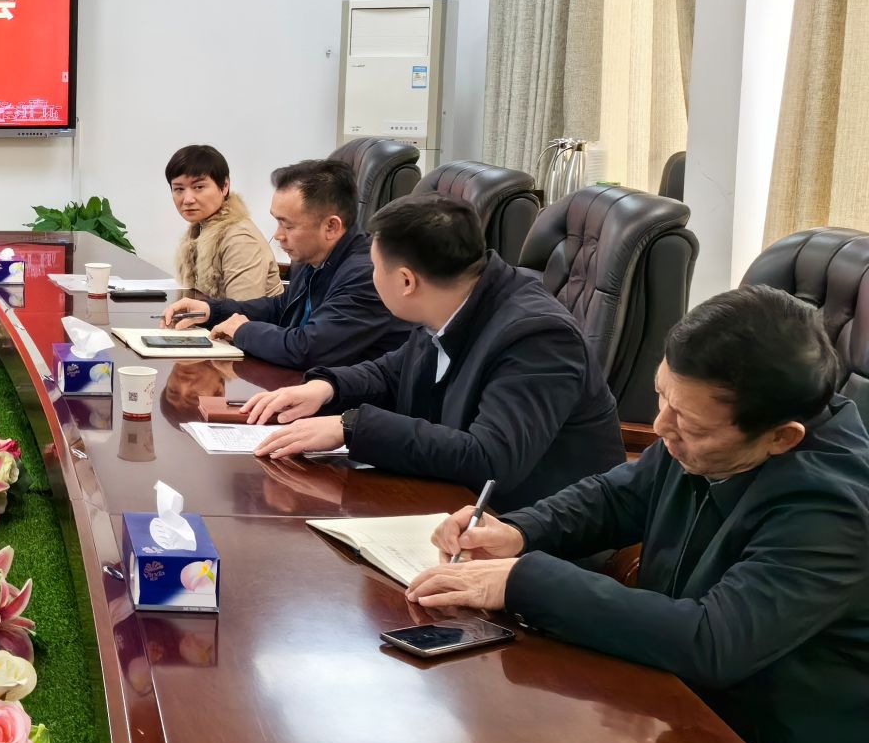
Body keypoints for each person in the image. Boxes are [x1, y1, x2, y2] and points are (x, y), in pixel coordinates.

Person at [407, 286, 869, 743]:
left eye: (689, 423)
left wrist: (521, 580)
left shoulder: (834, 511)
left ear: (782, 438)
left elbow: (713, 640)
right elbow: (620, 496)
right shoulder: (707, 427)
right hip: (678, 713)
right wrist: (519, 531)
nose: (661, 425)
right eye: (661, 396)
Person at [241, 193, 624, 509]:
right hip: (447, 504)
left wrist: (351, 428)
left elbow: (490, 459)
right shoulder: (456, 300)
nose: (371, 277)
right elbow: (394, 371)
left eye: (374, 267)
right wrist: (326, 388)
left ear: (406, 281)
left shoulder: (538, 337)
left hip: (529, 533)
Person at [160, 158, 401, 368]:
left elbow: (308, 348)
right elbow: (281, 308)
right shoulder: (312, 258)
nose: (278, 235)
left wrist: (243, 330)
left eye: (288, 225)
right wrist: (213, 310)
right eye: (277, 222)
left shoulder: (367, 275)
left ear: (331, 226)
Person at [165, 144, 280, 301]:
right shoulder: (200, 228)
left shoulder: (239, 238)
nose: (188, 199)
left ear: (225, 186)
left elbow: (243, 310)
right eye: (179, 189)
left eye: (198, 187)